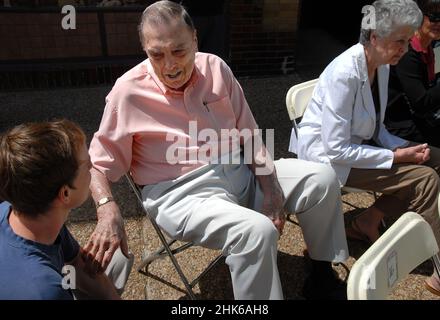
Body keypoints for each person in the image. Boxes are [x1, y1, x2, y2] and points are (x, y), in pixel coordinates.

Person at [86, 0, 349, 300]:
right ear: (145, 48)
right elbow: (97, 164)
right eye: (156, 54)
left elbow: (249, 134)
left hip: (240, 172)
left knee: (322, 178)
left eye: (179, 51)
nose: (169, 65)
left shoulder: (216, 68)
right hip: (183, 194)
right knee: (256, 232)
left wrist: (270, 184)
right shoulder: (128, 91)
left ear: (195, 38)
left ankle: (321, 274)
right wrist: (107, 208)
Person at [295, 0, 440, 295]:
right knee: (425, 180)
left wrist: (409, 147)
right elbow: (335, 149)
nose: (404, 47)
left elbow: (378, 129)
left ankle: (368, 220)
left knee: (436, 158)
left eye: (406, 39)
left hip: (354, 150)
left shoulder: (382, 65)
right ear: (374, 38)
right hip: (328, 161)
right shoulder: (345, 74)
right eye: (400, 40)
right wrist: (396, 156)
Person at [0, 120, 133, 299]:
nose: (92, 167)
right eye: (86, 165)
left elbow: (76, 264)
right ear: (65, 193)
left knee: (115, 259)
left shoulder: (25, 211)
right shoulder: (44, 290)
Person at [386, 0, 440, 147]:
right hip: (402, 126)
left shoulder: (430, 46)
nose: (439, 23)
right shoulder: (408, 53)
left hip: (421, 119)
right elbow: (421, 103)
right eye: (435, 17)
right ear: (419, 18)